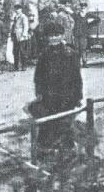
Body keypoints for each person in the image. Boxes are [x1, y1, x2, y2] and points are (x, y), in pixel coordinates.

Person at [31, 22, 83, 156]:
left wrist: (78, 96)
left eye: (57, 35)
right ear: (47, 38)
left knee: (64, 123)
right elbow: (38, 76)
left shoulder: (70, 54)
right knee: (47, 122)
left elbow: (77, 77)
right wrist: (39, 92)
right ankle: (45, 150)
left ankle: (67, 150)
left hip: (66, 95)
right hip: (49, 96)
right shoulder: (44, 55)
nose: (54, 38)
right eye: (51, 36)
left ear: (62, 36)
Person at [10, 4, 30, 71]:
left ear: (21, 9)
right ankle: (16, 66)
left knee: (22, 51)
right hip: (15, 36)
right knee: (15, 51)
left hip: (21, 36)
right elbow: (13, 26)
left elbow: (26, 26)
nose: (17, 10)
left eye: (18, 9)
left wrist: (24, 35)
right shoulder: (15, 17)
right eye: (16, 9)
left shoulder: (23, 17)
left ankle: (24, 66)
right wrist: (12, 34)